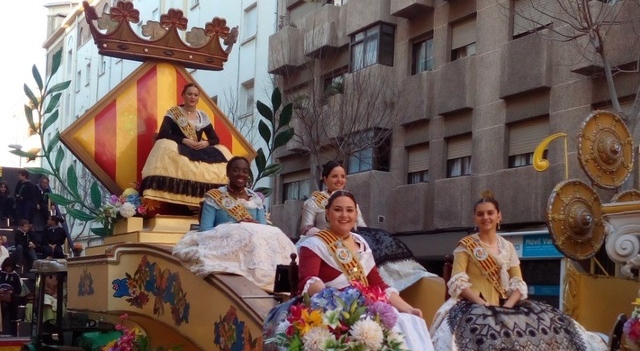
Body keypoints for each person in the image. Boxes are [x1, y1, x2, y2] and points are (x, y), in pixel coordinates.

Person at [430, 191, 607, 351]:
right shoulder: (466, 245)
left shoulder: (508, 247)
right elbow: (458, 282)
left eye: (490, 213)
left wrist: (506, 308)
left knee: (542, 325)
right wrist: (484, 306)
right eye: (480, 214)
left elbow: (518, 283)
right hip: (471, 304)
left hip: (504, 305)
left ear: (499, 216)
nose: (486, 217)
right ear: (475, 218)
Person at [296, 190, 434, 350]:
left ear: (356, 214)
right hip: (332, 312)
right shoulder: (314, 244)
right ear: (327, 213)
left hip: (365, 309)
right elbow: (308, 281)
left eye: (349, 210)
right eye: (337, 209)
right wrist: (337, 301)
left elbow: (379, 285)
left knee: (408, 322)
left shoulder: (361, 242)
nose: (344, 215)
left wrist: (409, 309)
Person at [300, 160, 436, 291]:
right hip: (325, 241)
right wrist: (325, 236)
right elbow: (306, 228)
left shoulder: (350, 200)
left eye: (343, 176)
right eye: (334, 176)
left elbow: (361, 224)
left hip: (351, 238)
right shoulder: (313, 202)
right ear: (325, 179)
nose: (339, 180)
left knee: (381, 238)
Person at [172, 156, 296, 290]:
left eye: (244, 171)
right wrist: (237, 225)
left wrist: (252, 224)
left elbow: (263, 229)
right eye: (235, 170)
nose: (240, 174)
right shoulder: (215, 196)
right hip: (224, 245)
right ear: (228, 173)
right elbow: (205, 230)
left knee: (275, 232)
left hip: (252, 244)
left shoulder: (255, 199)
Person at [140, 83, 232, 208]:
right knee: (164, 146)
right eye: (189, 94)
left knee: (222, 154)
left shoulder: (202, 116)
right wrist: (183, 140)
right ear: (183, 95)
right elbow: (163, 133)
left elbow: (215, 139)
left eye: (195, 95)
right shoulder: (174, 113)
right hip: (179, 146)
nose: (192, 97)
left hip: (199, 149)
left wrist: (206, 142)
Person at [0, 257, 22, 335]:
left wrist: (11, 291)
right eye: (7, 267)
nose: (8, 269)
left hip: (11, 298)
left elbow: (19, 290)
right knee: (4, 306)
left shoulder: (15, 276)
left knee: (15, 298)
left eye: (10, 267)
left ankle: (13, 326)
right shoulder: (0, 273)